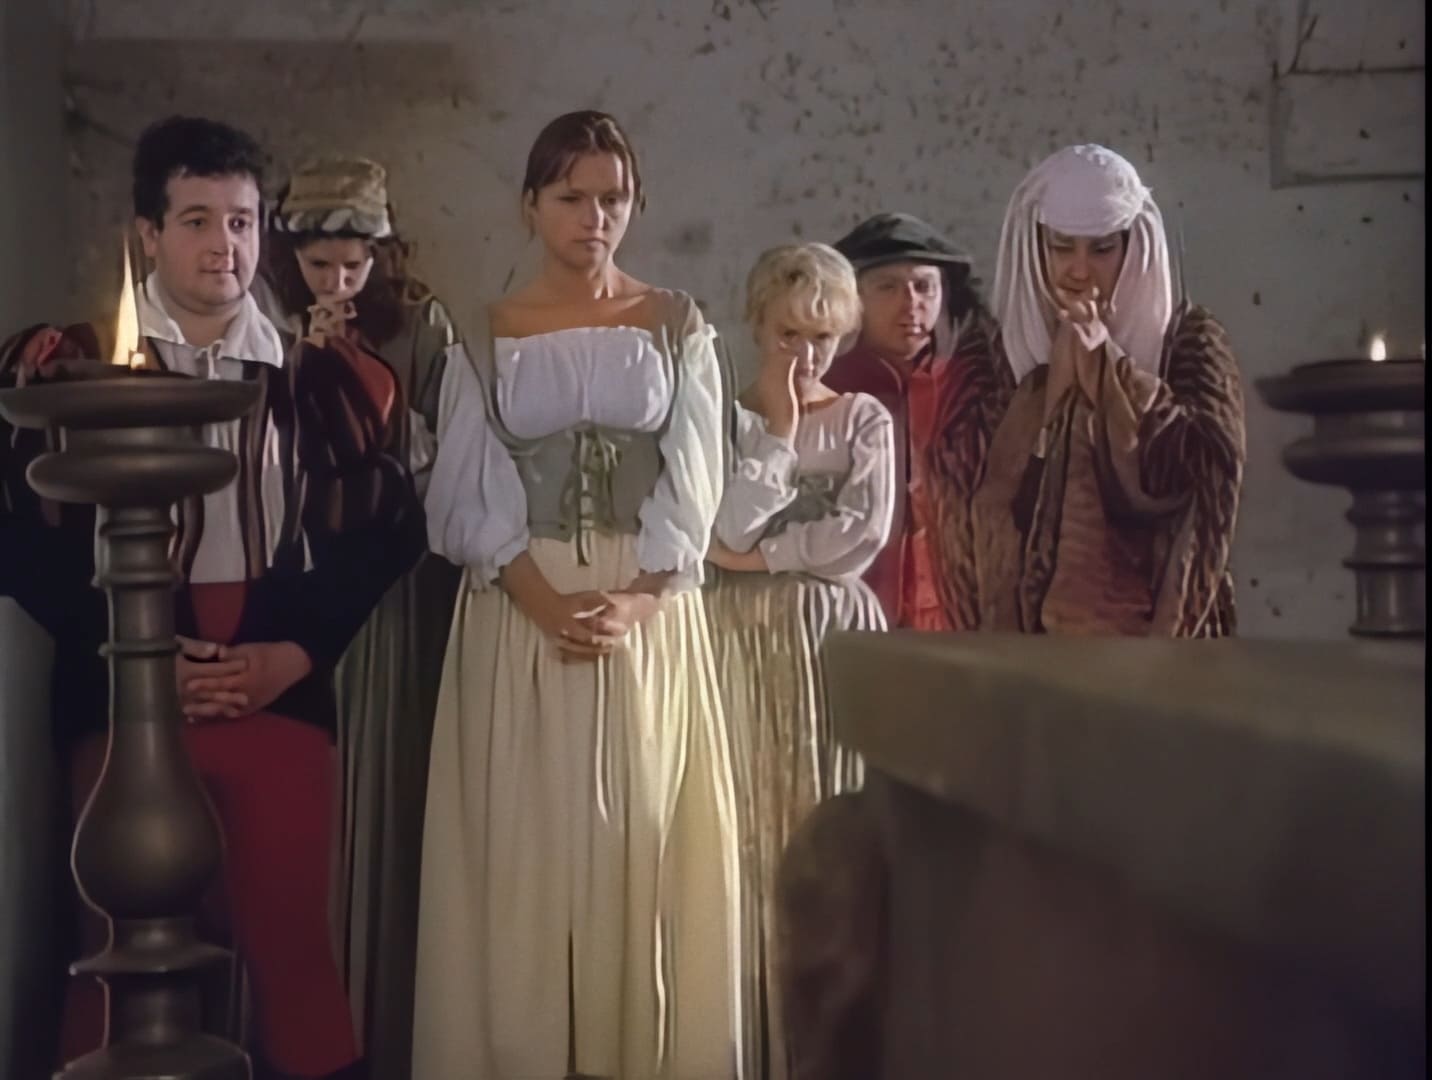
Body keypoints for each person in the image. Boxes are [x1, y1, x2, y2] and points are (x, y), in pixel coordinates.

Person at [0, 115, 425, 1080]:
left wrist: (296, 651)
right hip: (121, 699)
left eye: (240, 222)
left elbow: (390, 530)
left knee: (291, 945)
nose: (223, 246)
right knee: (112, 955)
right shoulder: (72, 369)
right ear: (148, 233)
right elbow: (17, 533)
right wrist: (131, 650)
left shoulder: (319, 382)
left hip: (272, 689)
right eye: (196, 221)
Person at [414, 110, 741, 1079]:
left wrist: (638, 600)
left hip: (644, 610)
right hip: (521, 607)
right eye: (571, 198)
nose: (595, 218)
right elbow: (465, 493)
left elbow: (696, 481)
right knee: (523, 847)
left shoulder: (675, 324)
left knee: (637, 831)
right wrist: (543, 601)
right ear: (530, 205)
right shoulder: (484, 335)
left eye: (613, 199)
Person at [263, 156, 463, 1080]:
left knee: (384, 779)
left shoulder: (422, 327)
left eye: (356, 264)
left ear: (384, 255)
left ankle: (386, 1023)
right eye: (320, 265)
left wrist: (363, 394)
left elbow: (447, 458)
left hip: (392, 583)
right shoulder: (262, 324)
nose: (339, 281)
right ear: (289, 257)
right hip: (293, 578)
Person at [705, 242, 894, 1079]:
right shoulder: (726, 417)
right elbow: (720, 527)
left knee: (830, 825)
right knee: (746, 827)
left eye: (822, 338)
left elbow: (861, 534)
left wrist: (762, 557)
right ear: (757, 326)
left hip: (829, 634)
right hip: (736, 637)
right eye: (789, 334)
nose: (806, 355)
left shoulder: (863, 418)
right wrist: (779, 433)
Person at [972, 143, 1245, 636]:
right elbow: (988, 500)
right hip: (1037, 633)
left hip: (1159, 630)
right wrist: (1046, 396)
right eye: (1062, 247)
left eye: (1101, 249)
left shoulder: (1188, 341)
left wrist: (1111, 372)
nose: (1080, 270)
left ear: (1131, 247)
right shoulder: (1000, 350)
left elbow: (1208, 478)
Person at [825, 212, 1004, 631]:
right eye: (887, 287)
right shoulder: (823, 391)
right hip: (854, 616)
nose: (911, 304)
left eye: (924, 287)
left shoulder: (977, 391)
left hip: (961, 619)